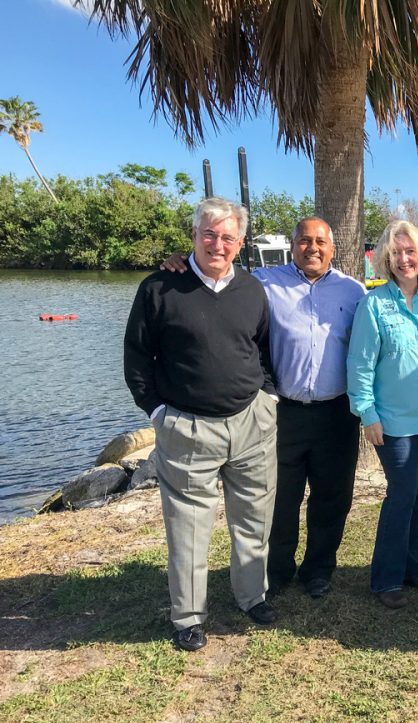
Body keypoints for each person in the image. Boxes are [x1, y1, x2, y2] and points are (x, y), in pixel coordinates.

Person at [161, 218, 366, 599]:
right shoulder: (263, 284)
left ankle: (319, 569)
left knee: (333, 495)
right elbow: (217, 272)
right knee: (279, 496)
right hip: (281, 411)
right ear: (293, 245)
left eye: (321, 242)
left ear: (332, 249)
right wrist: (180, 261)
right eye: (304, 241)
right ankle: (279, 570)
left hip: (337, 413)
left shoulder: (354, 292)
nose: (313, 248)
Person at [124, 197, 279, 652]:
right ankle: (189, 617)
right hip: (187, 426)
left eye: (227, 236)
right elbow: (136, 360)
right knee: (189, 526)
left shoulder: (252, 288)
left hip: (251, 422)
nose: (217, 243)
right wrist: (157, 413)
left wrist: (267, 397)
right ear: (193, 235)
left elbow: (265, 350)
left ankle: (252, 596)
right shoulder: (159, 288)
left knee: (254, 518)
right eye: (209, 234)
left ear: (240, 242)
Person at [347, 220, 418, 609]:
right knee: (402, 493)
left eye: (410, 251)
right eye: (396, 253)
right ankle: (386, 578)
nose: (404, 259)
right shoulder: (373, 305)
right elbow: (360, 365)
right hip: (393, 421)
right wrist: (367, 413)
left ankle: (413, 567)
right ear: (385, 260)